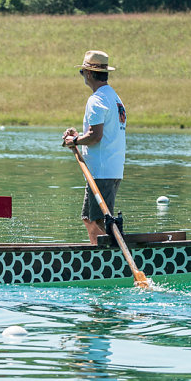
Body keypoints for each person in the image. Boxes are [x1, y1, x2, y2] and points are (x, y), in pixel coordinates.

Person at [62, 50, 127, 245]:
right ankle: (100, 253)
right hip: (112, 168)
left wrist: (74, 142)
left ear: (89, 73)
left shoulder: (96, 100)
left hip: (101, 171)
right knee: (89, 218)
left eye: (82, 71)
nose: (83, 75)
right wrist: (78, 137)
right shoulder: (114, 97)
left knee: (99, 221)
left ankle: (110, 258)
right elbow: (98, 133)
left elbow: (95, 136)